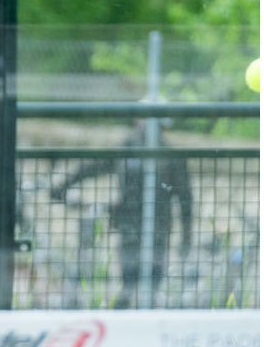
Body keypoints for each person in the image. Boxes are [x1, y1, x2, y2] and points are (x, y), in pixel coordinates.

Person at [50, 119, 192, 308]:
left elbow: (185, 198)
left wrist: (186, 236)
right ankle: (124, 313)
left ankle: (145, 313)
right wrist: (65, 185)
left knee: (152, 281)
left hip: (157, 226)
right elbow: (94, 166)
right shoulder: (127, 148)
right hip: (129, 224)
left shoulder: (170, 155)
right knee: (129, 279)